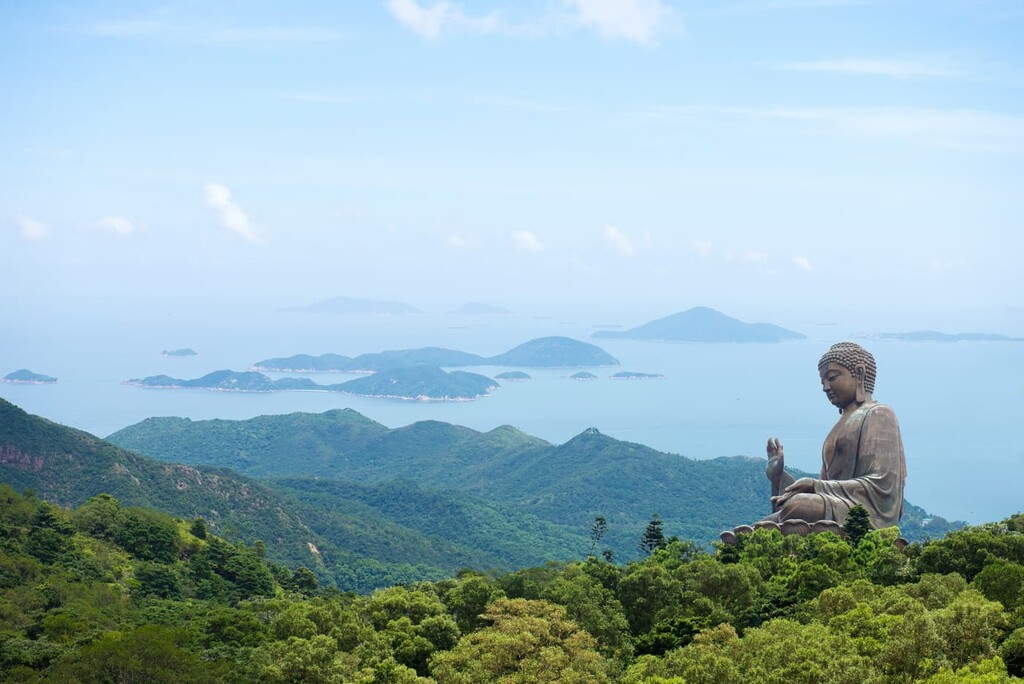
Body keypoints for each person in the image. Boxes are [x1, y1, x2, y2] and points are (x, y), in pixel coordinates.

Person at [722, 342, 906, 542]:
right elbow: (826, 486)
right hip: (837, 505)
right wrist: (778, 478)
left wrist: (816, 486)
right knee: (761, 524)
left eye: (832, 378)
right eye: (822, 382)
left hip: (866, 513)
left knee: (798, 506)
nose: (826, 387)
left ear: (859, 373)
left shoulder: (878, 413)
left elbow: (882, 485)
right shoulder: (841, 423)